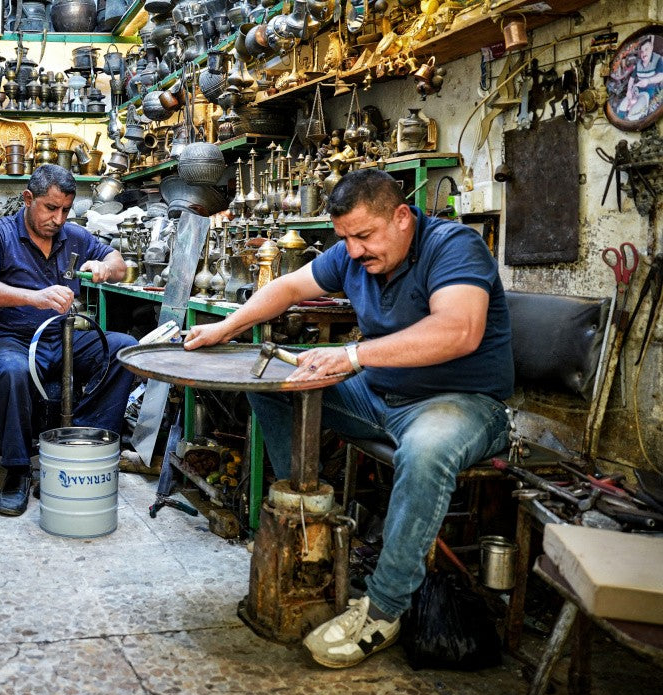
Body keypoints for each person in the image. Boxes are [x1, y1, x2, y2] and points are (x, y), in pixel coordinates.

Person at [183, 169, 513, 668]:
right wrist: (226, 327)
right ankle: (306, 524)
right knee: (272, 384)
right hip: (380, 397)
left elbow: (459, 330)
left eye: (364, 236)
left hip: (462, 403)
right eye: (346, 239)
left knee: (425, 453)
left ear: (402, 217)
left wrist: (355, 355)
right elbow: (290, 287)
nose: (354, 251)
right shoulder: (353, 252)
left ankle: (383, 609)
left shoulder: (454, 246)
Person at [0, 164, 137, 516]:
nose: (58, 219)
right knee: (12, 371)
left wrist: (107, 266)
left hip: (63, 337)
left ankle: (78, 449)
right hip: (7, 337)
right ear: (29, 199)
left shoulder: (72, 236)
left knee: (123, 349)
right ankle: (16, 471)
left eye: (65, 210)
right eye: (50, 208)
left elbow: (118, 263)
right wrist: (34, 297)